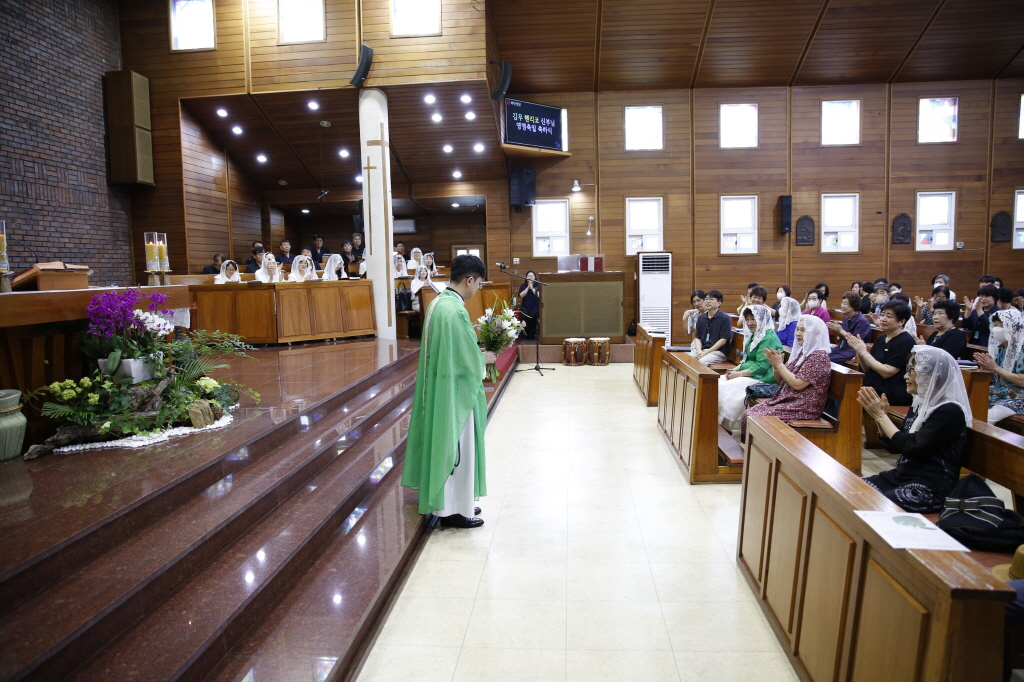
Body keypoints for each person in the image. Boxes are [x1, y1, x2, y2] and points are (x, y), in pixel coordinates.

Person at [401, 254, 491, 528]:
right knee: (457, 450)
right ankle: (452, 510)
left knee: (449, 448)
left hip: (442, 386)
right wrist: (485, 358)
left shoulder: (438, 304)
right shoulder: (455, 310)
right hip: (454, 393)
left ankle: (456, 503)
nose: (478, 290)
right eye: (479, 284)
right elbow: (466, 357)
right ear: (470, 279)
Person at [858, 346, 971, 513]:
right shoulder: (920, 404)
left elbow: (911, 447)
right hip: (902, 477)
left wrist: (882, 417)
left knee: (874, 505)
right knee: (852, 490)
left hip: (929, 487)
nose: (905, 376)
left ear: (931, 375)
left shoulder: (950, 411)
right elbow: (894, 446)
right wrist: (880, 419)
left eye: (912, 370)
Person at [741, 316, 833, 442]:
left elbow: (797, 384)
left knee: (755, 416)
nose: (798, 334)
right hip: (789, 399)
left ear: (815, 333)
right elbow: (781, 381)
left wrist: (779, 365)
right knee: (749, 413)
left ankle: (759, 452)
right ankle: (754, 452)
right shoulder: (802, 352)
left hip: (804, 405)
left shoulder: (819, 356)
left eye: (803, 330)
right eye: (798, 329)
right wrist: (775, 366)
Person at [718, 305, 782, 431]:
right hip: (750, 373)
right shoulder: (756, 335)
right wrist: (736, 370)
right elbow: (746, 359)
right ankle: (721, 426)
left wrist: (739, 374)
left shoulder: (767, 337)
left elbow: (762, 366)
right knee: (719, 381)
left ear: (762, 319)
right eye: (747, 319)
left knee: (726, 387)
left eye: (753, 319)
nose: (749, 323)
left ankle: (727, 428)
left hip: (764, 378)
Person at [845, 300, 916, 406]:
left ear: (901, 321)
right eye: (882, 315)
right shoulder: (882, 338)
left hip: (891, 392)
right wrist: (859, 352)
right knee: (844, 392)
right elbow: (868, 369)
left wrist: (864, 353)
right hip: (874, 387)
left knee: (849, 398)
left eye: (889, 316)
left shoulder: (905, 341)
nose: (883, 319)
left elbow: (887, 372)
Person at [974, 307, 1024, 424]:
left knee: (985, 419)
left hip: (1018, 399)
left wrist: (996, 368)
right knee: (971, 405)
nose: (997, 329)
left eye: (1001, 325)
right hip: (999, 394)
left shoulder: (1022, 350)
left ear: (1014, 328)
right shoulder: (1000, 348)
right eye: (995, 325)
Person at [690, 289, 732, 365]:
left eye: (711, 299)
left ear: (719, 303)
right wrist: (699, 351)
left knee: (702, 362)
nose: (708, 301)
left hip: (718, 352)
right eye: (706, 299)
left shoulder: (725, 318)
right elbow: (697, 337)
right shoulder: (701, 318)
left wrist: (707, 352)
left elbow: (723, 340)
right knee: (687, 359)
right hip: (703, 350)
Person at [828, 290, 870, 364]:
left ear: (853, 306)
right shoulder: (846, 318)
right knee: (822, 357)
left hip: (852, 351)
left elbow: (856, 342)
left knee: (828, 361)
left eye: (845, 304)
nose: (842, 306)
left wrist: (841, 330)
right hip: (842, 348)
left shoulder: (862, 321)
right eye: (842, 303)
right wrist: (838, 331)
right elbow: (842, 338)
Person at [518, 270, 540, 340]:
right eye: (529, 276)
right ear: (526, 278)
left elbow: (538, 295)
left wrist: (532, 288)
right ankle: (526, 335)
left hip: (535, 306)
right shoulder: (523, 286)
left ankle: (532, 335)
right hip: (525, 306)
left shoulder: (538, 285)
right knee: (525, 316)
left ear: (535, 277)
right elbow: (521, 295)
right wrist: (528, 287)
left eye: (532, 276)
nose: (530, 277)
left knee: (532, 316)